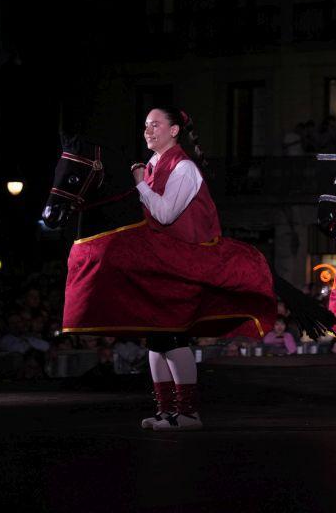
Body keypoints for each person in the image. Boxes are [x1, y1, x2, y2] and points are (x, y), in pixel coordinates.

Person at [132, 106, 218, 431]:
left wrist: (141, 184)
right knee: (155, 338)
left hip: (185, 262)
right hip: (162, 262)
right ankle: (166, 410)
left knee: (172, 334)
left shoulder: (183, 168)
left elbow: (166, 214)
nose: (148, 131)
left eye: (155, 125)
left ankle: (188, 413)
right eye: (145, 126)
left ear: (173, 131)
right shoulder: (155, 165)